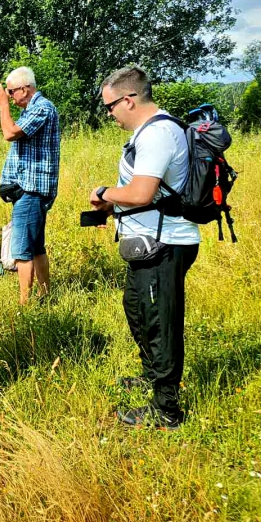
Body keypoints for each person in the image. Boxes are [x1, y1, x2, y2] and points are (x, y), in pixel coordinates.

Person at [89, 65, 200, 430]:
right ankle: (152, 376)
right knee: (137, 311)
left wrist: (103, 193)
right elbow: (148, 194)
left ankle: (167, 409)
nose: (109, 114)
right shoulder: (150, 132)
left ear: (129, 99)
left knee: (160, 324)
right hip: (148, 243)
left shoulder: (157, 134)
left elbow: (141, 193)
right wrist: (113, 209)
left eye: (110, 106)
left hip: (165, 245)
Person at [0, 67, 60, 304]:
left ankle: (24, 305)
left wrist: (3, 104)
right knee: (36, 247)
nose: (9, 96)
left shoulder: (42, 108)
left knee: (21, 250)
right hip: (30, 190)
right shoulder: (32, 109)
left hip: (31, 190)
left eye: (11, 92)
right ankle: (45, 296)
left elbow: (10, 133)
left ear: (25, 88)